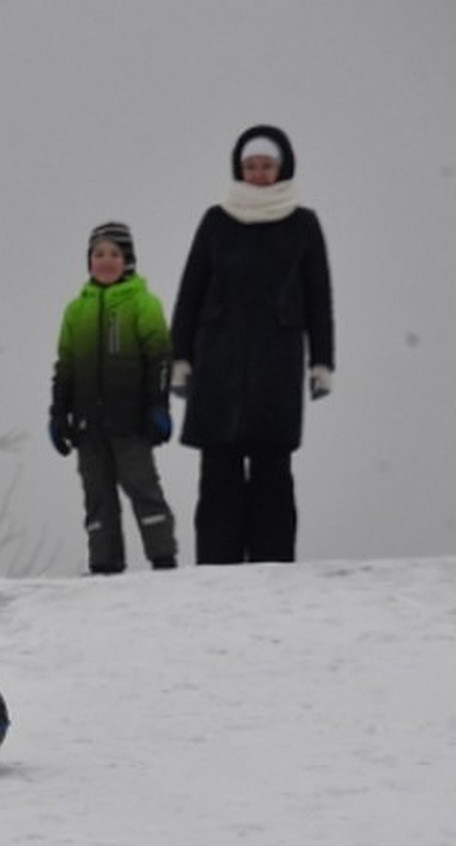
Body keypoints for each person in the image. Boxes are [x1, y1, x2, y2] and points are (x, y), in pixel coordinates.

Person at [169, 124, 334, 565]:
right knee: (218, 468)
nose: (258, 173)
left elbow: (319, 296)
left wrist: (322, 362)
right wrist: (180, 357)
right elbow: (191, 291)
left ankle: (273, 563)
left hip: (276, 363)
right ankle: (217, 564)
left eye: (266, 166)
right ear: (238, 169)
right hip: (217, 360)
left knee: (272, 470)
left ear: (282, 168)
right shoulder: (217, 219)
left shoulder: (303, 223)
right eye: (250, 166)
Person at [49, 220, 177, 574]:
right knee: (97, 496)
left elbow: (159, 358)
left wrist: (157, 406)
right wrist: (59, 416)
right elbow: (66, 367)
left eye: (114, 254)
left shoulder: (142, 303)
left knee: (143, 488)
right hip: (89, 425)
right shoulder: (77, 311)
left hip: (131, 421)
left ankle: (163, 557)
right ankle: (105, 563)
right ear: (89, 260)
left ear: (128, 261)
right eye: (98, 254)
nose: (105, 261)